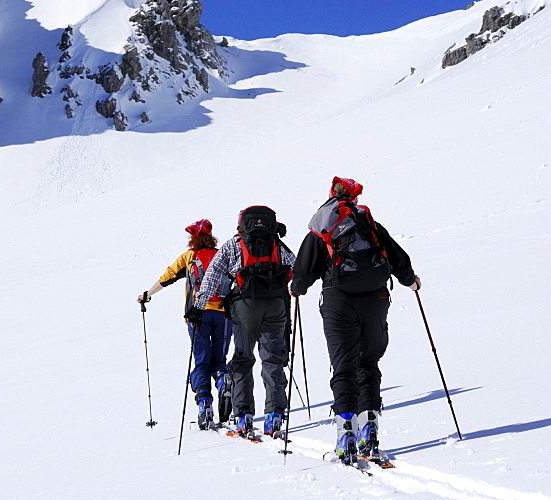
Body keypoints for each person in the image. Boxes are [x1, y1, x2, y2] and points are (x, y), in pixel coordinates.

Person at [290, 177, 421, 464]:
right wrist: (410, 281)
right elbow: (396, 256)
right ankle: (370, 429)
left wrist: (297, 289)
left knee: (343, 366)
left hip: (339, 301)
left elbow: (304, 269)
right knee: (368, 363)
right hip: (375, 298)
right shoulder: (368, 221)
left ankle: (345, 433)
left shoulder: (323, 223)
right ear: (354, 198)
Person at [189, 206, 295, 439]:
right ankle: (274, 414)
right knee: (273, 360)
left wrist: (199, 307)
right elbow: (295, 267)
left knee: (243, 358)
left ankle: (243, 414)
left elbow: (212, 275)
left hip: (244, 306)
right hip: (276, 305)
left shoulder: (233, 244)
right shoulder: (276, 243)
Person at [137, 219, 233, 429]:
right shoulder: (222, 256)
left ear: (194, 238)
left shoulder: (189, 257)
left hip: (197, 316)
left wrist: (147, 295)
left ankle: (204, 405)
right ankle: (223, 380)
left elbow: (168, 276)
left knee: (201, 362)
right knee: (219, 359)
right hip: (224, 316)